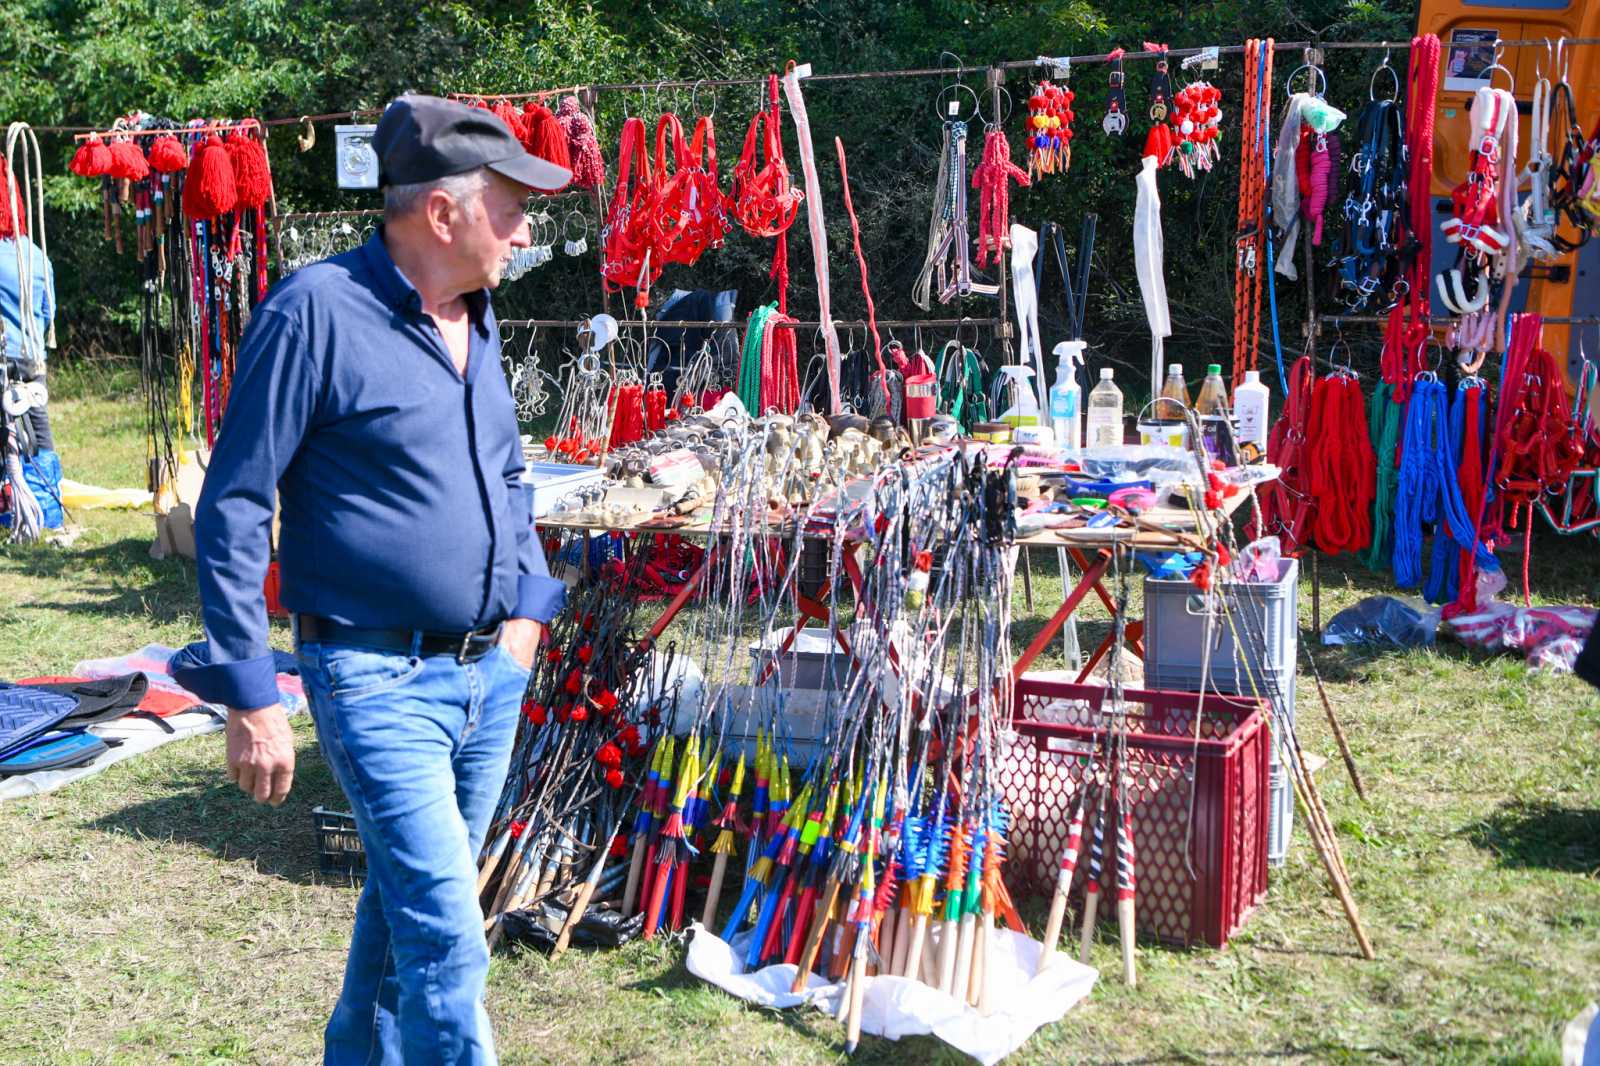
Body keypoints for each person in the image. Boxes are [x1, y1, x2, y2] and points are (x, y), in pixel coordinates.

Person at [170, 96, 571, 1065]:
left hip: (488, 675)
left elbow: (507, 469)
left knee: (404, 915)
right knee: (447, 935)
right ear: (444, 212)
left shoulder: (476, 313)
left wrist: (527, 607)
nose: (527, 229)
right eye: (513, 206)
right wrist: (249, 691)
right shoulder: (315, 311)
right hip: (374, 675)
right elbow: (232, 504)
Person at [0, 164, 55, 453]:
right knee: (41, 432)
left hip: (3, 359)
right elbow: (49, 313)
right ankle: (46, 494)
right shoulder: (37, 255)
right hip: (33, 358)